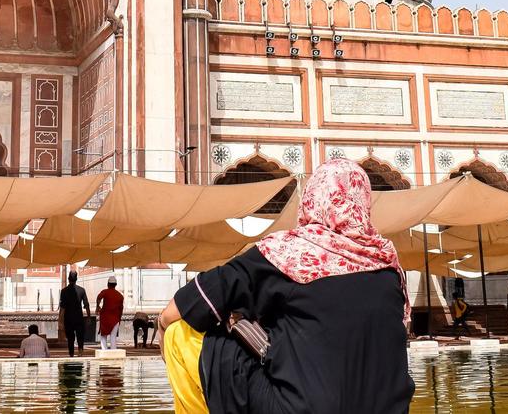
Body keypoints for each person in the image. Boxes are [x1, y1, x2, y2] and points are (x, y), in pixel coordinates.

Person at [159, 159, 414, 414]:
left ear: (312, 198)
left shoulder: (287, 253)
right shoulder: (389, 268)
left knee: (178, 334)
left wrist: (162, 328)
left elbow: (186, 304)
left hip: (301, 408)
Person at [58, 270, 91, 357]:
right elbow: (87, 305)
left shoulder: (64, 291)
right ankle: (80, 352)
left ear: (68, 279)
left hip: (68, 319)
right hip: (79, 318)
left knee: (70, 339)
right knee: (80, 337)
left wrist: (60, 322)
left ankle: (71, 354)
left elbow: (62, 308)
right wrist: (88, 317)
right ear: (76, 279)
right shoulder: (81, 290)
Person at [96, 275, 124, 350]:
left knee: (103, 336)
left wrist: (97, 306)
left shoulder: (105, 292)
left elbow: (98, 297)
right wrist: (119, 320)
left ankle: (104, 351)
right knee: (113, 337)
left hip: (105, 318)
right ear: (116, 285)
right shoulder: (120, 296)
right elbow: (121, 309)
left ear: (108, 284)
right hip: (115, 319)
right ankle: (113, 353)